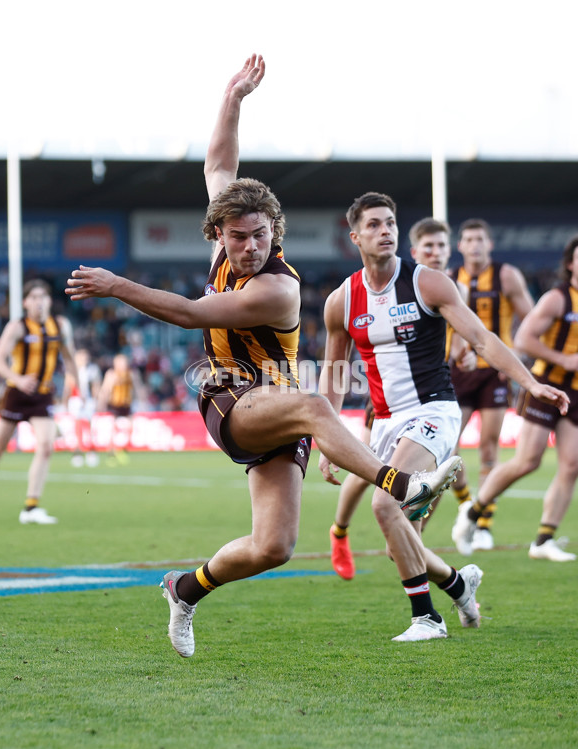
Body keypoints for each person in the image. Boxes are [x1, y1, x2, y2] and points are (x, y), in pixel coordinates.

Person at [65, 55, 463, 657]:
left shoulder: (278, 287)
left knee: (272, 546)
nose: (248, 246)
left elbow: (194, 313)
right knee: (310, 403)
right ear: (217, 233)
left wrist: (118, 285)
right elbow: (219, 162)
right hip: (230, 396)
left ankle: (184, 589)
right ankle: (401, 485)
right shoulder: (230, 226)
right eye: (236, 237)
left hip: (276, 408)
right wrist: (233, 97)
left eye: (259, 236)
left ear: (275, 231)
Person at [318, 193, 569, 641]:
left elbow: (481, 338)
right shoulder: (342, 301)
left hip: (434, 409)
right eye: (374, 224)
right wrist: (326, 437)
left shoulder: (427, 283)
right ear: (355, 236)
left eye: (391, 222)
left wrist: (528, 382)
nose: (386, 231)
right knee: (403, 545)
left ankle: (426, 619)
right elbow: (334, 374)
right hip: (388, 422)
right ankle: (459, 583)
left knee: (384, 504)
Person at [330, 218, 476, 581]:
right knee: (367, 469)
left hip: (431, 395)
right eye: (429, 247)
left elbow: (461, 340)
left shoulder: (449, 287)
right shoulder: (394, 282)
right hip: (385, 396)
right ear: (414, 251)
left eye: (442, 246)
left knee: (434, 469)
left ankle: (417, 538)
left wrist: (465, 354)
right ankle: (340, 531)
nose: (437, 252)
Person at [452, 235, 578, 561]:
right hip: (547, 385)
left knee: (571, 465)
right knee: (528, 460)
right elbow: (523, 338)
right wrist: (564, 360)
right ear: (570, 264)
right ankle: (475, 513)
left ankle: (544, 539)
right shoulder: (557, 299)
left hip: (576, 392)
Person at [449, 219, 534, 551]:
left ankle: (482, 524)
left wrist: (515, 359)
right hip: (461, 369)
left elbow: (531, 320)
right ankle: (467, 504)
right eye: (468, 239)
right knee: (448, 447)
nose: (474, 245)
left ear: (490, 243)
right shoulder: (452, 279)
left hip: (495, 371)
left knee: (488, 448)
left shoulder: (506, 276)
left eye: (480, 239)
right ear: (461, 246)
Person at [0, 279, 79, 525]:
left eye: (43, 297)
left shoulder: (61, 326)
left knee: (46, 446)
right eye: (33, 297)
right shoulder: (18, 327)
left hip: (42, 394)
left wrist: (77, 386)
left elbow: (70, 358)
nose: (39, 301)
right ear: (25, 302)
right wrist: (18, 379)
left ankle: (31, 507)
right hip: (16, 393)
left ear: (49, 301)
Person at [97, 353, 146, 465]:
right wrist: (101, 403)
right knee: (112, 430)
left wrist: (142, 399)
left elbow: (138, 387)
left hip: (126, 404)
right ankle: (111, 453)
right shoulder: (111, 374)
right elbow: (105, 390)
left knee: (130, 428)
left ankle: (123, 449)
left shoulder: (131, 374)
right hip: (114, 404)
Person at [67, 348, 102, 467]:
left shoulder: (92, 370)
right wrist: (65, 401)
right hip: (76, 400)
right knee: (77, 427)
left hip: (89, 401)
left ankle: (91, 450)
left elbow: (96, 386)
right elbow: (69, 386)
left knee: (89, 426)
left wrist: (96, 399)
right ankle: (78, 452)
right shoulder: (72, 370)